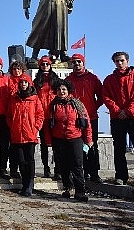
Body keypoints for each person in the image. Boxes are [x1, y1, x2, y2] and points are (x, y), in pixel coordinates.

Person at [102, 51, 134, 186]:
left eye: (122, 60)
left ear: (127, 61)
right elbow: (106, 97)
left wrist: (127, 111)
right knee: (119, 148)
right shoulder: (109, 80)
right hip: (117, 118)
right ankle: (121, 176)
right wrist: (118, 111)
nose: (119, 63)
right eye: (117, 61)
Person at [45, 79, 92, 201]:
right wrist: (49, 140)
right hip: (59, 139)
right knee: (63, 165)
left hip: (75, 138)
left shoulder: (77, 104)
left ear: (68, 90)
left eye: (64, 89)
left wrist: (88, 139)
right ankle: (67, 187)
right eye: (59, 90)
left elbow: (86, 123)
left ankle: (80, 191)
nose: (61, 92)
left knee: (77, 165)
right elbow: (48, 124)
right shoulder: (53, 105)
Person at [65, 53, 104, 182]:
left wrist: (93, 107)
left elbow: (101, 96)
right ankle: (81, 173)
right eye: (74, 62)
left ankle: (93, 173)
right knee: (77, 146)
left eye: (79, 62)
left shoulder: (92, 78)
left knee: (92, 145)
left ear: (83, 63)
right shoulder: (69, 79)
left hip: (91, 117)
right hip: (75, 119)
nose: (76, 64)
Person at [7, 73, 44, 196]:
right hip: (17, 135)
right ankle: (24, 183)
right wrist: (12, 126)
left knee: (30, 160)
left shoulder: (35, 99)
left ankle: (30, 185)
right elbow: (8, 115)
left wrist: (35, 128)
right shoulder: (14, 98)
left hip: (30, 135)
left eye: (25, 82)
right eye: (21, 82)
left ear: (29, 84)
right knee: (21, 161)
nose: (23, 84)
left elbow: (40, 115)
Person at [33, 55, 61, 179]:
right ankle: (46, 168)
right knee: (44, 144)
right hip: (42, 116)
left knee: (57, 144)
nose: (45, 66)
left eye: (47, 64)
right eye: (43, 64)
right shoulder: (36, 80)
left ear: (50, 65)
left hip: (54, 115)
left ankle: (58, 169)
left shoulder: (56, 79)